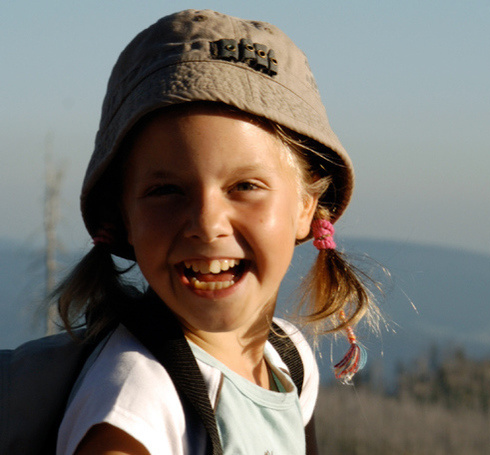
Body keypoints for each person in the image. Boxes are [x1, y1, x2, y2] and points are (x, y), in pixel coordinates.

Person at [53, 9, 376, 455]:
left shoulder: (289, 359)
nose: (207, 223)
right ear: (123, 215)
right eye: (166, 190)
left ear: (307, 207)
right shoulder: (136, 409)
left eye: (245, 187)